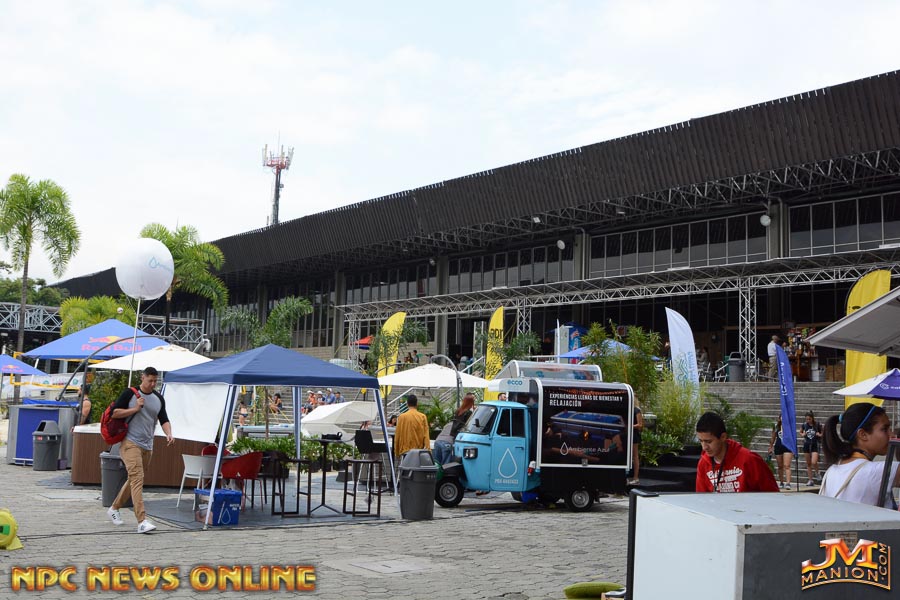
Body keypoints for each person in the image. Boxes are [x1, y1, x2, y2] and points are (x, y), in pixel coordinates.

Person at [106, 367, 174, 534]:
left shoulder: (158, 398)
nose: (152, 384)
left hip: (147, 445)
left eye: (155, 381)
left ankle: (114, 508)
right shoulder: (129, 393)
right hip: (130, 443)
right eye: (150, 380)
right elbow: (114, 413)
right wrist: (135, 409)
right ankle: (142, 521)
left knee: (133, 479)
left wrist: (169, 434)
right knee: (137, 478)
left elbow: (163, 419)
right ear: (142, 378)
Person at [819, 402, 900, 506]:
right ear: (863, 434)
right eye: (884, 429)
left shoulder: (832, 470)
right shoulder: (877, 471)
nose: (892, 435)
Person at [695, 411, 779, 493]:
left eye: (709, 442)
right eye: (701, 441)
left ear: (723, 437)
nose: (704, 447)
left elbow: (772, 494)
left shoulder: (749, 459)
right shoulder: (703, 464)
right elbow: (702, 498)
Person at [433, 393, 476, 464]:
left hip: (438, 441)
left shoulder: (458, 411)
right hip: (451, 441)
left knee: (437, 464)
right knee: (446, 466)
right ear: (470, 402)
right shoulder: (468, 413)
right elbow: (470, 425)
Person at [768, 414, 793, 489]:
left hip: (787, 447)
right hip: (778, 446)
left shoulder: (789, 426)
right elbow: (773, 437)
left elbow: (793, 437)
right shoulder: (776, 426)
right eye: (781, 418)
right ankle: (781, 482)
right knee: (780, 466)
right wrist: (771, 446)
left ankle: (788, 483)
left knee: (787, 465)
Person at [800, 410, 822, 485]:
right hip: (806, 444)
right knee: (808, 463)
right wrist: (803, 434)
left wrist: (819, 434)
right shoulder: (804, 425)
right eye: (806, 419)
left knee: (814, 462)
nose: (808, 421)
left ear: (812, 418)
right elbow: (800, 432)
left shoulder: (817, 424)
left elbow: (822, 433)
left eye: (809, 419)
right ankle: (810, 480)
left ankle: (817, 472)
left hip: (815, 444)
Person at [628, 400, 643, 486]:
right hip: (627, 434)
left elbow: (640, 425)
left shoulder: (636, 410)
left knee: (635, 456)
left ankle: (636, 478)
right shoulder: (628, 409)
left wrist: (630, 426)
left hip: (634, 435)